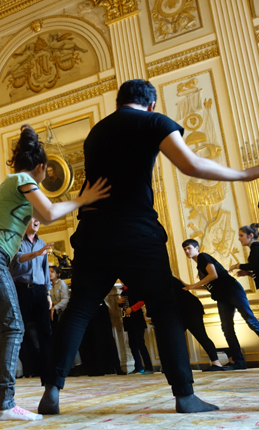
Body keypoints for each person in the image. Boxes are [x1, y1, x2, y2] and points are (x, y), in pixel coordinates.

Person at [39, 79, 259, 416]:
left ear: (118, 103)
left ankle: (52, 390)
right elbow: (190, 164)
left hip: (93, 232)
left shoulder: (96, 132)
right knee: (164, 308)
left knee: (80, 308)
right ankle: (185, 395)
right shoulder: (154, 121)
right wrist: (244, 174)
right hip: (136, 232)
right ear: (152, 104)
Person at [0, 124, 109, 421]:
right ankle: (5, 403)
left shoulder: (16, 183)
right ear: (41, 168)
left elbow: (43, 214)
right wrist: (83, 199)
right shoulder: (23, 179)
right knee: (14, 326)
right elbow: (50, 213)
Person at [182, 239, 259, 370]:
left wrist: (193, 285)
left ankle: (238, 360)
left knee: (251, 321)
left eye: (189, 248)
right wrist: (188, 286)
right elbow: (209, 285)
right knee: (226, 328)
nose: (187, 251)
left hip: (232, 291)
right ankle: (238, 361)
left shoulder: (203, 257)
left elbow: (214, 275)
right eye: (184, 250)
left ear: (197, 248)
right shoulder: (199, 267)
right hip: (222, 297)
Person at [9, 218, 53, 382]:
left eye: (38, 219)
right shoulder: (16, 241)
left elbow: (45, 270)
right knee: (20, 331)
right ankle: (32, 367)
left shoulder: (42, 243)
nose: (37, 221)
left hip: (40, 291)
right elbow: (17, 259)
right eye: (33, 218)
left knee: (45, 332)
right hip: (22, 290)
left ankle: (48, 374)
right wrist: (36, 253)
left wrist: (48, 294)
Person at [170, 277, 226, 371]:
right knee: (175, 338)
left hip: (190, 308)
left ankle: (216, 363)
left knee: (200, 335)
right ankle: (176, 366)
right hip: (183, 309)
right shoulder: (165, 278)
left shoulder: (162, 280)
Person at [118, 285, 154, 375]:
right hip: (128, 321)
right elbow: (124, 305)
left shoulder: (136, 289)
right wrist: (119, 303)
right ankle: (138, 367)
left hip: (137, 320)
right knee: (132, 344)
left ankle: (149, 367)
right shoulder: (123, 292)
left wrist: (132, 308)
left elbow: (142, 301)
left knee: (140, 343)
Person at [49, 265, 69, 333]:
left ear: (57, 274)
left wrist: (54, 307)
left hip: (62, 311)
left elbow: (65, 299)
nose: (49, 273)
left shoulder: (61, 283)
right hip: (54, 312)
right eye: (48, 272)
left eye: (52, 272)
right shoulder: (48, 285)